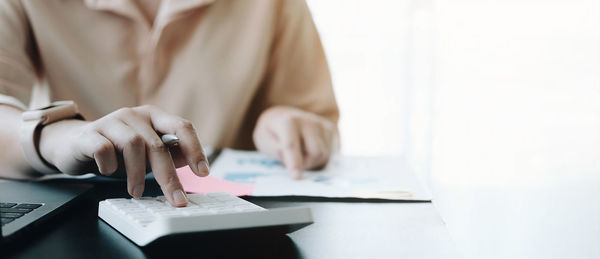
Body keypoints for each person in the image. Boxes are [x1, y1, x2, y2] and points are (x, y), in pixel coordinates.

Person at [0, 0, 339, 207]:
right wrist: (60, 137)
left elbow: (317, 120)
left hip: (231, 220)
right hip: (73, 216)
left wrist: (289, 123)